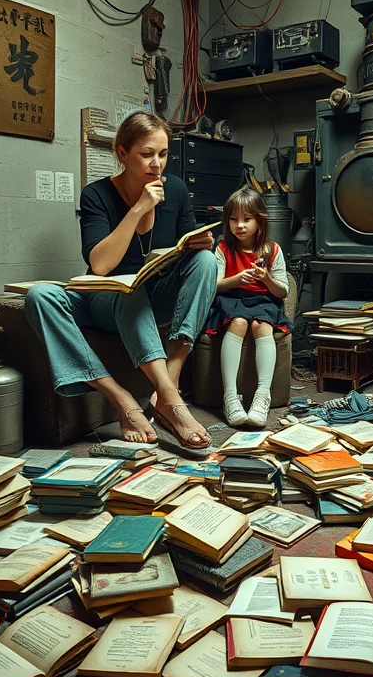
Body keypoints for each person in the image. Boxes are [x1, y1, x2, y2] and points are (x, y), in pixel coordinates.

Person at [24, 112, 215, 450]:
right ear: (122, 152)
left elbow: (187, 250)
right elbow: (99, 265)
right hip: (108, 298)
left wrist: (200, 244)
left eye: (163, 154)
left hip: (154, 298)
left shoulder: (177, 189)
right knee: (40, 295)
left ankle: (166, 388)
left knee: (205, 261)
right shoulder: (96, 194)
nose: (157, 164)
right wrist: (138, 209)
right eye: (146, 154)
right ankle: (121, 398)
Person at [206, 186, 290, 428]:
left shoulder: (272, 249)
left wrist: (265, 279)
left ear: (259, 221)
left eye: (246, 219)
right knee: (239, 322)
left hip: (264, 300)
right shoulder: (223, 248)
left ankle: (262, 396)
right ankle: (230, 397)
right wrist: (237, 279)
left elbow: (282, 290)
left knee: (261, 326)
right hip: (232, 298)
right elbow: (215, 286)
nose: (239, 225)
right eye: (233, 220)